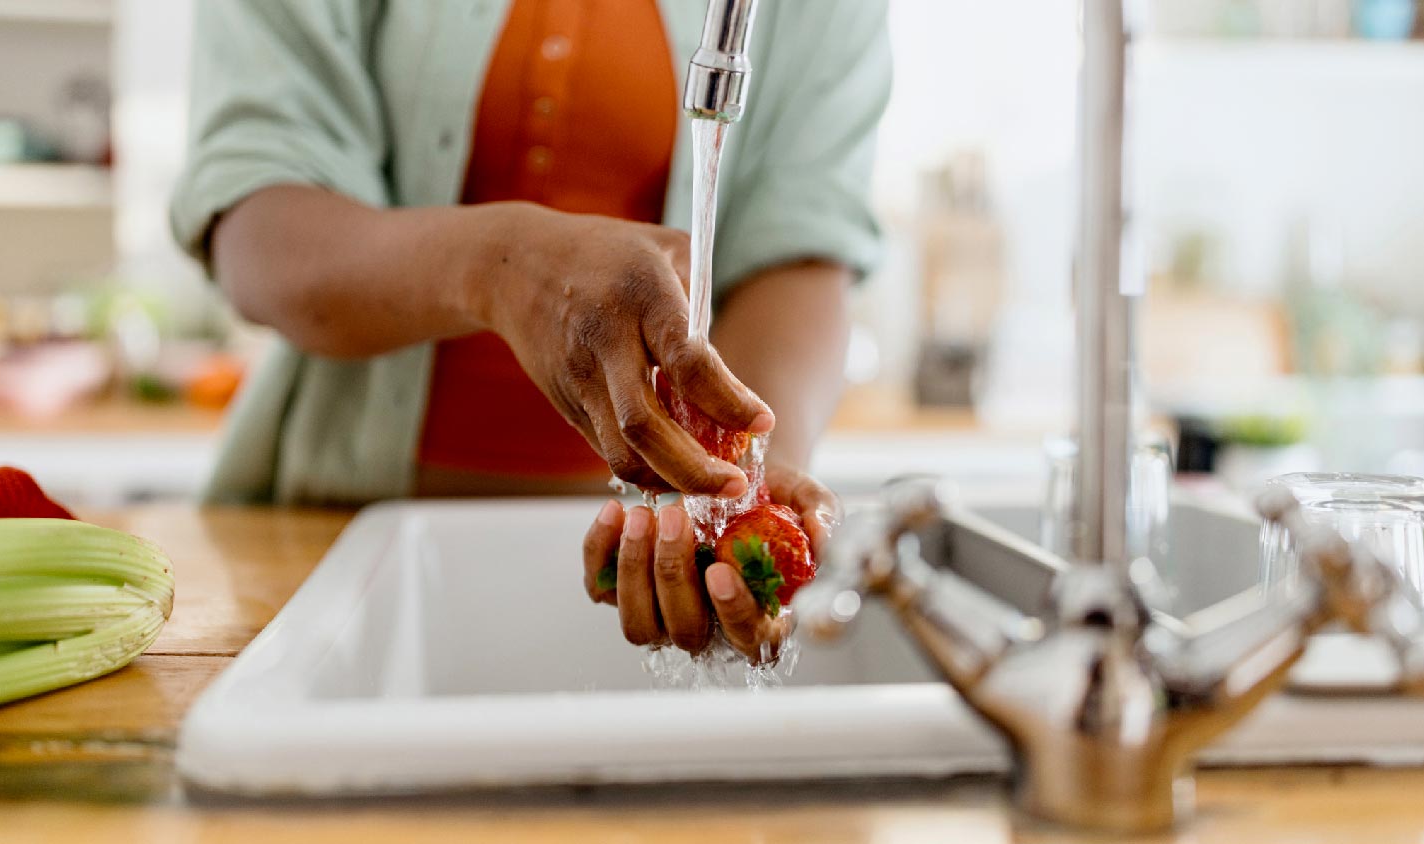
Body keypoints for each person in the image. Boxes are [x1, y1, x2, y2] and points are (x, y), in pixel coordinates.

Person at [170, 0, 891, 660]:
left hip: (644, 558)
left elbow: (801, 247)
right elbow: (259, 226)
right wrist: (502, 267)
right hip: (334, 553)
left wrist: (740, 502)